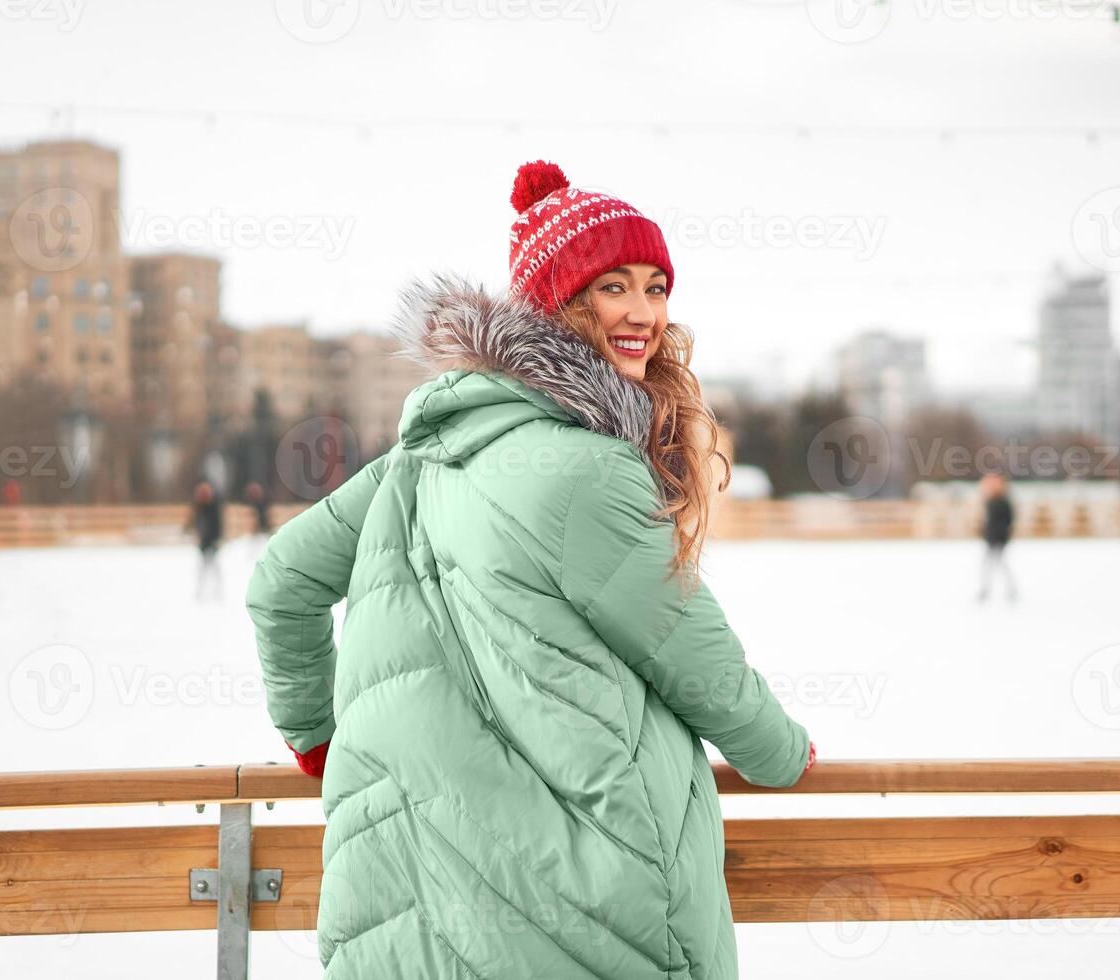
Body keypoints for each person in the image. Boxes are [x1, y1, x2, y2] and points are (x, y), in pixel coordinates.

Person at [247, 161, 814, 980]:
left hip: (416, 891)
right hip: (572, 904)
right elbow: (692, 653)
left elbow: (281, 584)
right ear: (558, 304)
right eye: (613, 287)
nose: (644, 313)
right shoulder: (588, 471)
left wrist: (317, 740)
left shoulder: (419, 457)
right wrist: (778, 753)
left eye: (656, 288)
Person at [977, 472, 1017, 602]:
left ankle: (1009, 590)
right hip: (992, 539)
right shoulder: (991, 501)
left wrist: (998, 537)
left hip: (998, 540)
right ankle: (987, 590)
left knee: (998, 564)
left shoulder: (1002, 502)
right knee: (991, 564)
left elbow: (1006, 522)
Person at [186, 480, 223, 600]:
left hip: (212, 542)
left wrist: (218, 540)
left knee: (214, 567)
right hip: (203, 543)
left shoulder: (213, 507)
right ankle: (201, 591)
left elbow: (218, 525)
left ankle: (217, 591)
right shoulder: (198, 508)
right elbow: (194, 523)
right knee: (202, 568)